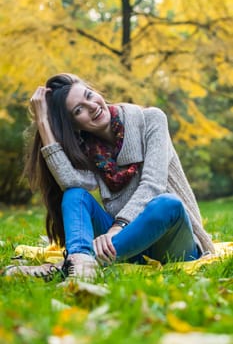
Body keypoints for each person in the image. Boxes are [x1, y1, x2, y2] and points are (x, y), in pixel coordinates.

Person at [5, 73, 214, 281]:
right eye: (79, 110)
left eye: (89, 95)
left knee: (168, 204)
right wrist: (43, 122)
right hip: (127, 247)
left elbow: (153, 184)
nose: (92, 106)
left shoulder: (152, 119)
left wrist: (118, 226)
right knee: (75, 194)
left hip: (174, 245)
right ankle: (80, 261)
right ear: (75, 126)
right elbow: (69, 181)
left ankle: (69, 266)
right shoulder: (90, 151)